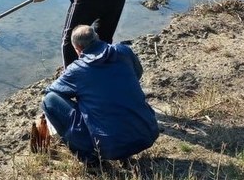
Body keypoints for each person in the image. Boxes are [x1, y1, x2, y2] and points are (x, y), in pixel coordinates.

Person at [41, 24, 159, 163]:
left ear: (77, 49)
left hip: (111, 148)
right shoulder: (124, 51)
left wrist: (80, 97)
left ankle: (90, 159)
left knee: (49, 100)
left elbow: (52, 91)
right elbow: (137, 73)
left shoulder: (77, 69)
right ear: (97, 37)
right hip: (147, 133)